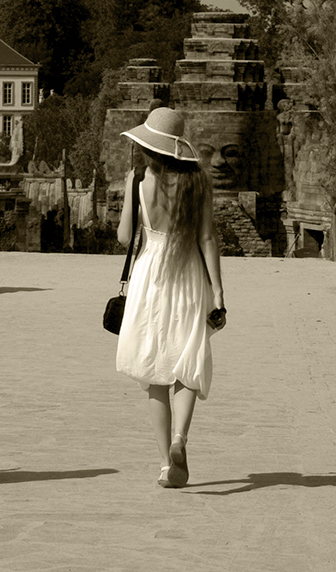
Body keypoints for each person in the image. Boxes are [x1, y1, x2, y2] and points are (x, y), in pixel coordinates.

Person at [115, 107, 226, 488]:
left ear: (148, 146)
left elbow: (125, 238)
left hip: (150, 275)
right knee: (188, 358)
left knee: (155, 373)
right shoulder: (198, 182)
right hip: (189, 274)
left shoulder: (136, 180)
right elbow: (208, 238)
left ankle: (166, 464)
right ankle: (181, 438)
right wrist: (219, 291)